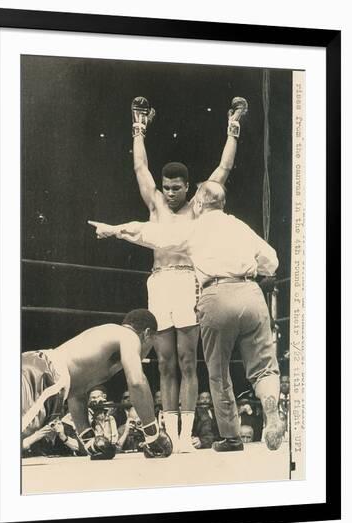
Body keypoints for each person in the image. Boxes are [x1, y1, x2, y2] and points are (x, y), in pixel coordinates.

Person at [88, 179, 283, 451]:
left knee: (218, 372)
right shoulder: (241, 226)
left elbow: (150, 233)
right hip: (251, 293)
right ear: (222, 204)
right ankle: (271, 405)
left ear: (200, 202)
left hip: (217, 294)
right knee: (263, 367)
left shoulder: (194, 229)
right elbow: (272, 260)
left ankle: (231, 437)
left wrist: (114, 230)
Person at [129, 96, 248, 452]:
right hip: (159, 283)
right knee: (164, 362)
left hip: (186, 281)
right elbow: (139, 167)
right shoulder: (155, 204)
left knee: (186, 360)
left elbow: (223, 170)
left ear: (188, 187)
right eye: (165, 187)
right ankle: (168, 435)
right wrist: (138, 127)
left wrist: (234, 126)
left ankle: (184, 436)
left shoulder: (198, 205)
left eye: (175, 188)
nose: (169, 193)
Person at [21, 309, 172, 459]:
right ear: (147, 334)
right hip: (45, 375)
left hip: (38, 367)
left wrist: (89, 440)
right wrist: (152, 433)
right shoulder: (129, 337)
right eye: (152, 344)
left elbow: (76, 393)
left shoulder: (106, 340)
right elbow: (137, 382)